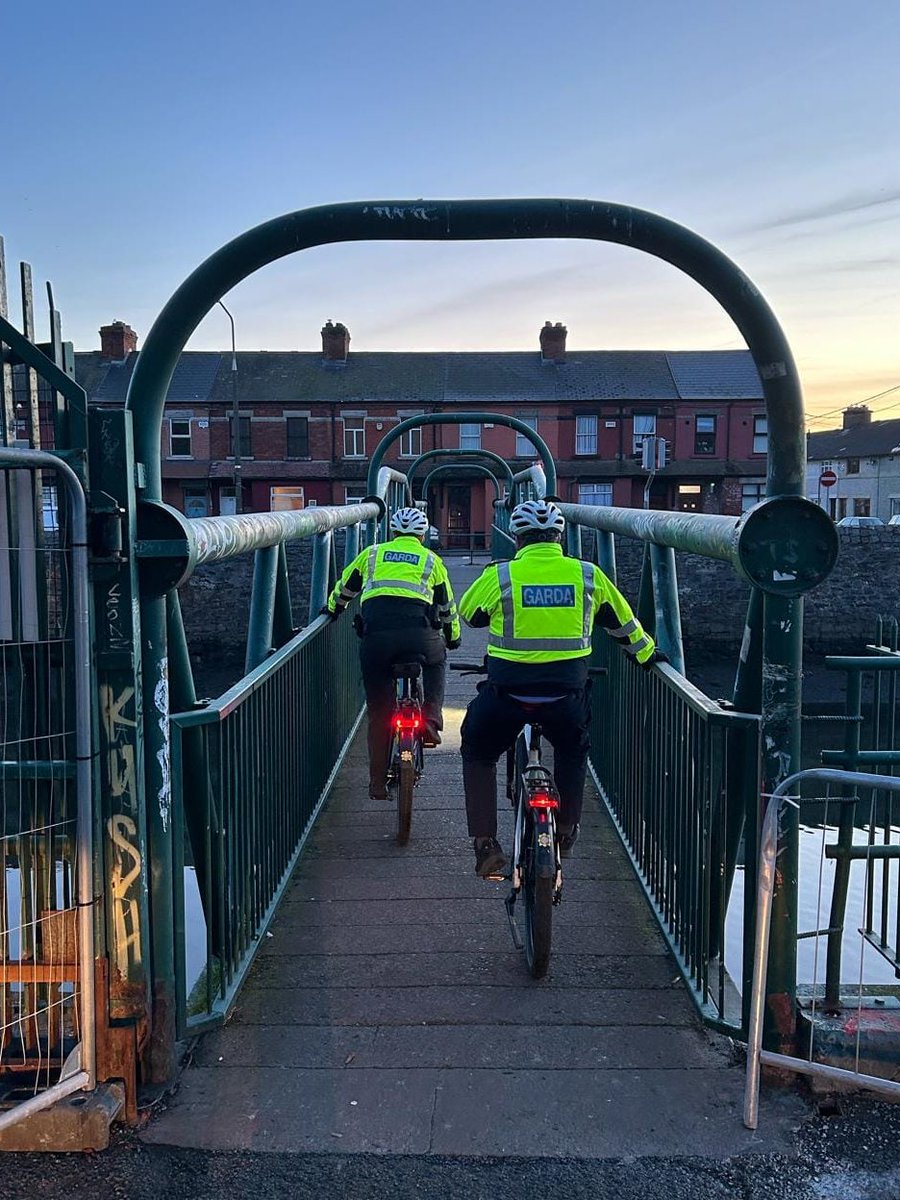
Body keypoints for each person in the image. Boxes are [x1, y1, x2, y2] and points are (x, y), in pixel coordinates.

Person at [458, 498, 660, 878]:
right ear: (559, 538)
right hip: (565, 697)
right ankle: (565, 828)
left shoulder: (502, 575)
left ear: (518, 539)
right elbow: (624, 623)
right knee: (571, 749)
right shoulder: (587, 575)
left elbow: (468, 615)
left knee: (479, 751)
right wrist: (647, 655)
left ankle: (485, 844)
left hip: (507, 695)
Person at [325, 506, 461, 800]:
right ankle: (431, 718)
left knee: (379, 712)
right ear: (422, 536)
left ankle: (377, 783)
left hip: (377, 640)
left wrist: (333, 609)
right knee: (437, 661)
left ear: (393, 532)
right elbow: (448, 607)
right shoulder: (432, 560)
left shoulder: (372, 554)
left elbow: (345, 588)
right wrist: (453, 638)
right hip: (420, 638)